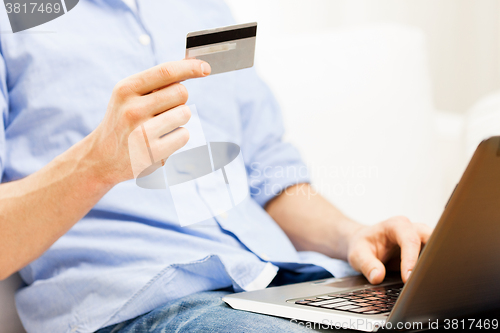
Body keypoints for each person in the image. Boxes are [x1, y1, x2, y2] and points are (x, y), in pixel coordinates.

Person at [0, 1, 432, 332]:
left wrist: (353, 236)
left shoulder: (203, 6)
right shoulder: (11, 20)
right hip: (146, 305)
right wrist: (96, 164)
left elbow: (266, 172)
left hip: (287, 284)